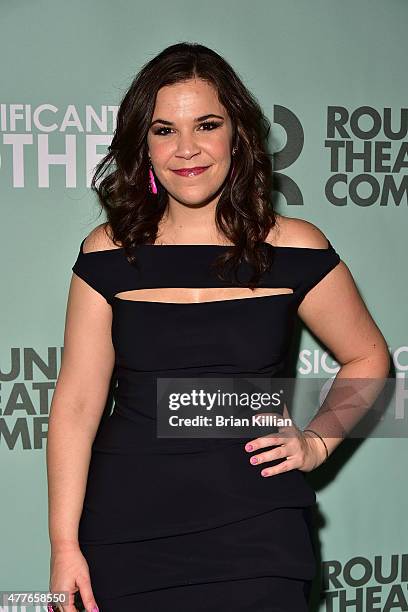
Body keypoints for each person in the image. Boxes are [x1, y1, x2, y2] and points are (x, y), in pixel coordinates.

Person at [47, 42, 390, 612]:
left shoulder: (294, 247)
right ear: (144, 145)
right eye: (164, 130)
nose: (186, 149)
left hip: (257, 527)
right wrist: (63, 546)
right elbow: (78, 403)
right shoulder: (110, 253)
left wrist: (317, 442)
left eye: (206, 125)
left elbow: (370, 357)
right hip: (128, 524)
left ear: (238, 134)